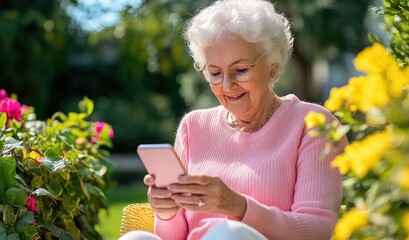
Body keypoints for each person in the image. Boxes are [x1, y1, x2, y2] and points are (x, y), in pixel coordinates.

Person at [120, 0, 347, 239]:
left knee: (229, 234)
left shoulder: (313, 124)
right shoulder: (193, 127)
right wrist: (166, 212)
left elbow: (316, 230)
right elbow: (174, 236)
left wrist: (238, 207)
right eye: (215, 73)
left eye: (240, 70)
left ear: (272, 65)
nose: (227, 86)